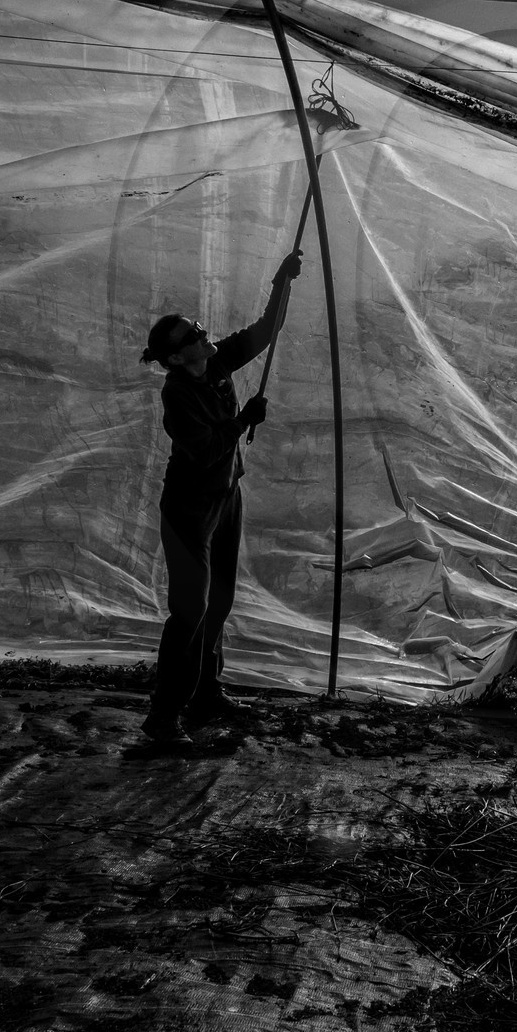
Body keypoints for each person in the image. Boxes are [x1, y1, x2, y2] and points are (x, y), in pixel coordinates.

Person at [136, 249, 304, 742]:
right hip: (191, 509)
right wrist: (243, 419)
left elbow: (265, 330)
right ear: (175, 357)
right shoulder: (177, 394)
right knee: (190, 609)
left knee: (220, 602)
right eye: (192, 334)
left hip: (226, 497)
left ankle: (206, 693)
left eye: (198, 327)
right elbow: (207, 450)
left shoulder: (216, 363)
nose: (202, 333)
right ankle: (163, 717)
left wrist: (281, 283)